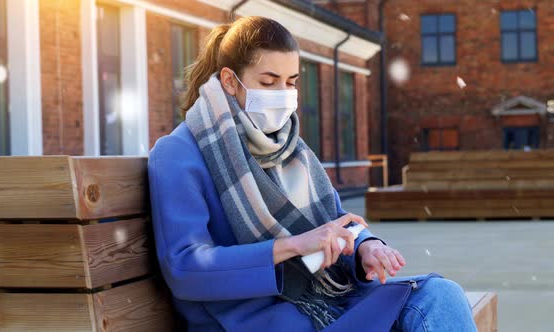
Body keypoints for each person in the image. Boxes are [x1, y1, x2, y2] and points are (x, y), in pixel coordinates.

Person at [148, 16, 477, 332]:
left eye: (291, 82)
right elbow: (185, 267)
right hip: (253, 319)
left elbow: (333, 220)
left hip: (323, 303)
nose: (283, 93)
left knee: (441, 295)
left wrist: (365, 247)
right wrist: (292, 246)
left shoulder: (289, 149)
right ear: (230, 81)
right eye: (268, 81)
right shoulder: (179, 153)